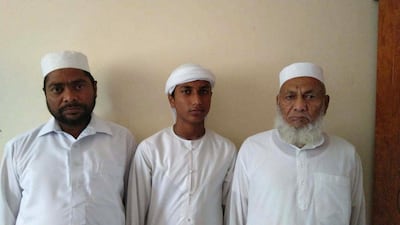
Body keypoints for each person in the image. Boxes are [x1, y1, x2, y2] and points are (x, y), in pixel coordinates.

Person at [0, 50, 136, 225]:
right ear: (45, 94)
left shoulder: (122, 140)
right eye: (57, 89)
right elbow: (5, 213)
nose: (70, 97)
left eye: (79, 86)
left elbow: (133, 206)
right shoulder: (19, 147)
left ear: (94, 88)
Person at [227, 62, 366, 225]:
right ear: (278, 102)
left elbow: (357, 217)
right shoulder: (252, 149)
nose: (300, 106)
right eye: (290, 96)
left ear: (326, 103)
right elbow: (236, 216)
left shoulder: (346, 154)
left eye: (310, 96)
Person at [126, 63, 237, 225]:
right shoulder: (150, 149)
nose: (197, 100)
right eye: (186, 91)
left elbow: (231, 210)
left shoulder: (226, 150)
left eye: (203, 92)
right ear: (172, 99)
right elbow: (135, 211)